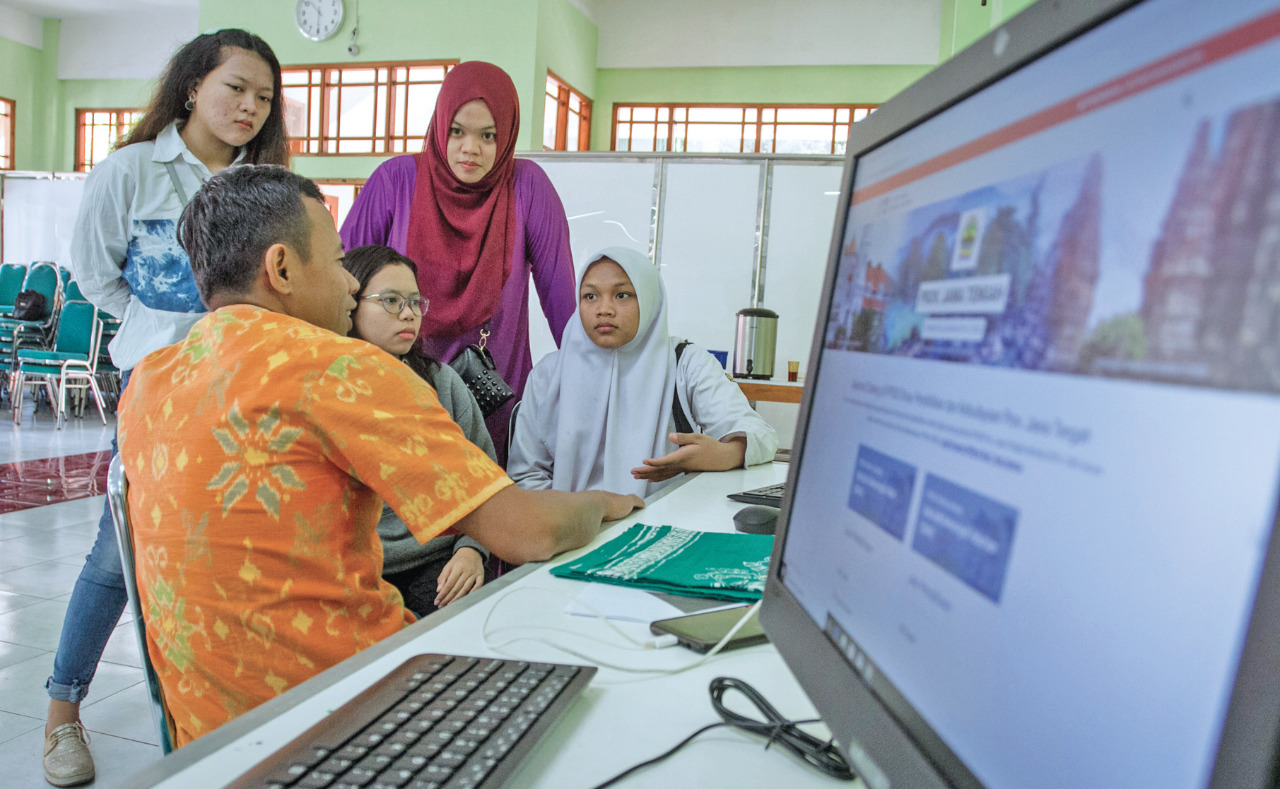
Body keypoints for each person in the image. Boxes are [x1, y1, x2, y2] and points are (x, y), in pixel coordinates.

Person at [116, 165, 643, 748]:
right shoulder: (339, 368)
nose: (349, 283)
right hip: (349, 718)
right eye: (340, 261)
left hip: (206, 742)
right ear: (282, 268)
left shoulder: (149, 380)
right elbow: (525, 533)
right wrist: (606, 502)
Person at [46, 29, 289, 786]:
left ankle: (221, 713)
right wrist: (157, 336)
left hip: (244, 393)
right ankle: (61, 714)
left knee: (235, 551)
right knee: (118, 554)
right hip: (157, 391)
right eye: (235, 88)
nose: (250, 106)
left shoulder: (270, 186)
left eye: (263, 96)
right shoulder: (130, 172)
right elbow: (95, 276)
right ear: (192, 87)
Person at [340, 61, 577, 464]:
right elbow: (340, 284)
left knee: (489, 515)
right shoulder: (396, 181)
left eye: (488, 135)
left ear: (506, 137)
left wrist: (593, 393)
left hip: (493, 404)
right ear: (440, 126)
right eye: (457, 131)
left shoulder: (527, 186)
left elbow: (564, 306)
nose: (471, 148)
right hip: (396, 394)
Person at [508, 247, 779, 497]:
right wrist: (566, 523)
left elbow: (761, 435)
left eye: (622, 295)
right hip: (568, 532)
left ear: (650, 300)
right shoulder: (549, 374)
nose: (604, 309)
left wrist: (724, 454)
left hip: (659, 528)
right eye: (590, 296)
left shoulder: (684, 363)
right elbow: (526, 474)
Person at [345, 244, 493, 616]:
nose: (409, 314)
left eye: (415, 302)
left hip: (436, 558)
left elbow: (484, 477)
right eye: (391, 301)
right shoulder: (332, 386)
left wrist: (472, 550)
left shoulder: (441, 382)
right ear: (350, 304)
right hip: (355, 567)